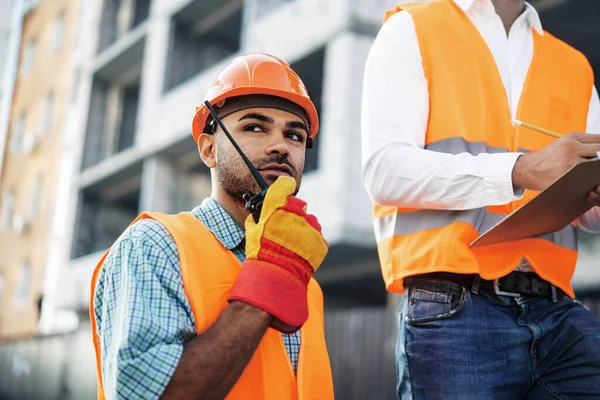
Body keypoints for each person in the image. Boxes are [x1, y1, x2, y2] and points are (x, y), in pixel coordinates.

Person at [361, 0, 600, 398]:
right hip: (454, 306)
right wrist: (520, 170)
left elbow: (590, 213)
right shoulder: (412, 27)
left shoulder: (573, 65)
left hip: (557, 310)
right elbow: (384, 170)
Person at [90, 53, 334, 400]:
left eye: (294, 135)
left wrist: (281, 271)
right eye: (254, 127)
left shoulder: (306, 283)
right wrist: (264, 291)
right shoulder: (155, 246)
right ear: (208, 150)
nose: (281, 145)